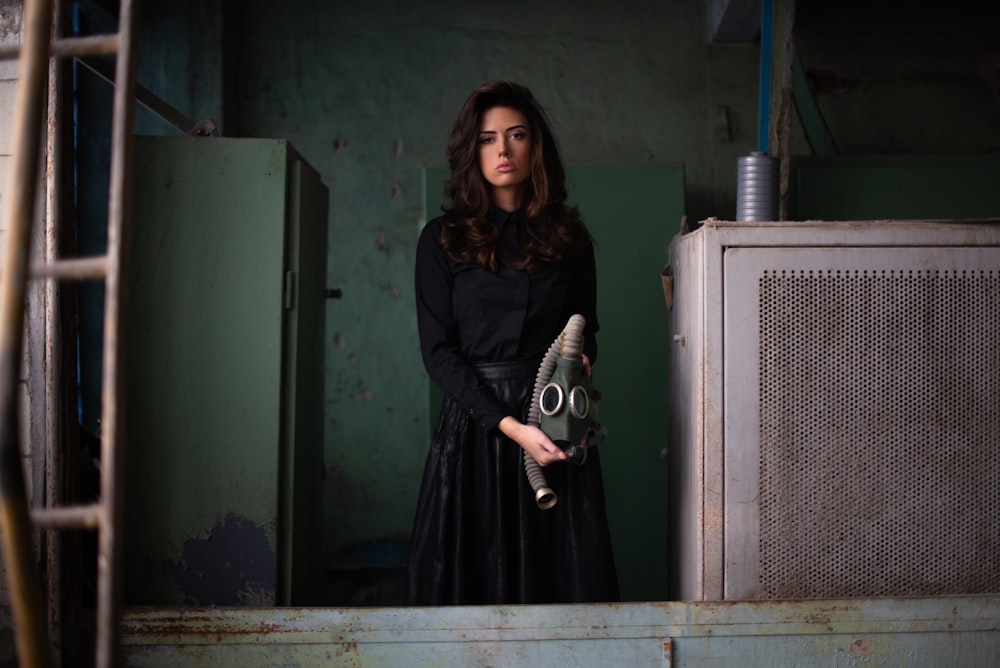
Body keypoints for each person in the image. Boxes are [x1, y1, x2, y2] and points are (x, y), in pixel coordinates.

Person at [407, 79, 619, 605]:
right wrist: (510, 428)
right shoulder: (441, 240)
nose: (503, 149)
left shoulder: (570, 240)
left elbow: (585, 326)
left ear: (535, 146)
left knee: (560, 585)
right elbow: (439, 355)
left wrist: (582, 361)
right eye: (487, 138)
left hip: (554, 429)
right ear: (471, 151)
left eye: (516, 134)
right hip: (476, 433)